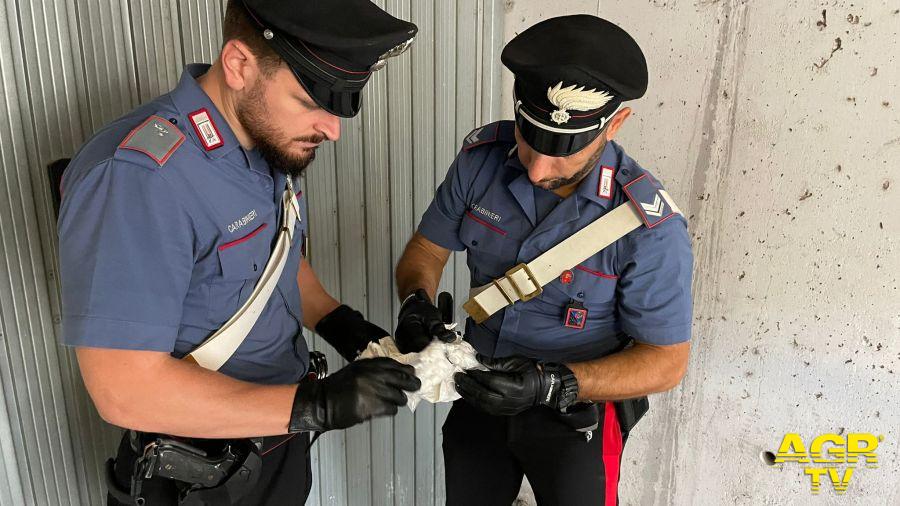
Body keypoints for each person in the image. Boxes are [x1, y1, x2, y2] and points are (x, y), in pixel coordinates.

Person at [57, 1, 421, 504]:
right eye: (308, 100)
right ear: (239, 65)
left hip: (277, 439)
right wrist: (316, 406)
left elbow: (277, 265)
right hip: (200, 469)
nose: (332, 129)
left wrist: (347, 327)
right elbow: (123, 390)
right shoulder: (141, 176)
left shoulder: (269, 142)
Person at [394, 15, 694, 506]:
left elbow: (666, 362)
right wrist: (415, 301)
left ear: (615, 124)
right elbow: (426, 251)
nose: (535, 169)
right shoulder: (479, 164)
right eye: (528, 139)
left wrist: (555, 383)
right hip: (480, 390)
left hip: (577, 416)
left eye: (562, 153)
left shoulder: (647, 227)